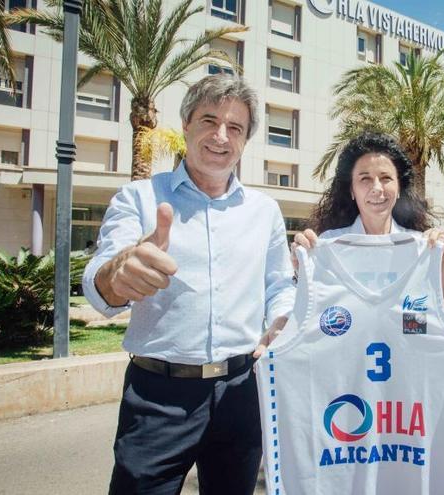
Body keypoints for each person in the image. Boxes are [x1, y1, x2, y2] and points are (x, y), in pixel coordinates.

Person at [82, 74, 295, 495]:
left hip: (241, 391)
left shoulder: (265, 211)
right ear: (185, 125)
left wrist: (283, 321)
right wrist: (119, 273)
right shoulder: (139, 198)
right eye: (209, 121)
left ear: (246, 139)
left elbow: (278, 285)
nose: (221, 136)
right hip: (158, 397)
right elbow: (101, 277)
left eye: (235, 127)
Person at [285, 133, 444, 329]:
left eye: (386, 178)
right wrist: (301, 269)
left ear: (399, 188)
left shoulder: (421, 246)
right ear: (351, 190)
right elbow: (308, 313)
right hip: (346, 357)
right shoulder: (327, 245)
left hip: (405, 356)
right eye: (365, 179)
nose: (377, 188)